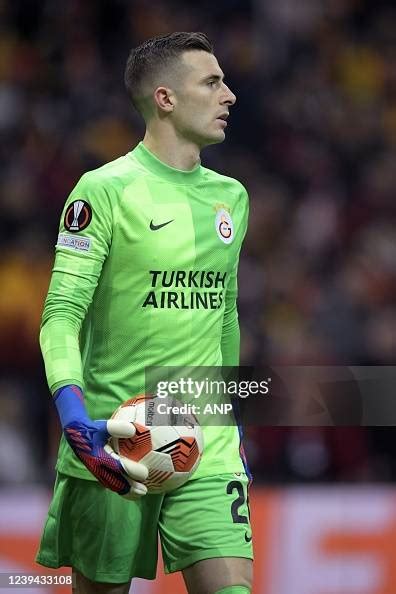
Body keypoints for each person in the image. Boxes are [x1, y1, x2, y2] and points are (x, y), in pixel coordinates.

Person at [36, 32, 252, 594]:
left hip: (205, 442)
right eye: (212, 82)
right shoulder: (104, 190)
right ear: (165, 98)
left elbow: (225, 315)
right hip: (114, 437)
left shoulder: (232, 196)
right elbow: (60, 314)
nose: (229, 95)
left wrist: (230, 420)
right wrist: (74, 416)